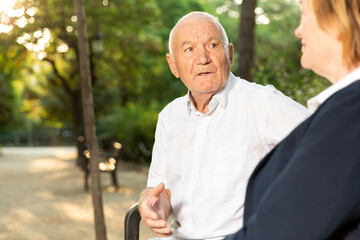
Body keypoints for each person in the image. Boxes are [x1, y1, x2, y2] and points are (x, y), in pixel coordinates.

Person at [139, 11, 309, 240]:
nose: (202, 58)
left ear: (229, 53)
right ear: (173, 64)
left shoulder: (263, 104)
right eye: (189, 49)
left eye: (212, 45)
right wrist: (154, 205)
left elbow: (330, 140)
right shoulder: (169, 117)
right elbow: (161, 189)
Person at [225, 0, 360, 239]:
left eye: (304, 15)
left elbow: (276, 233)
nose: (298, 30)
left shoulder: (350, 113)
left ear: (336, 20)